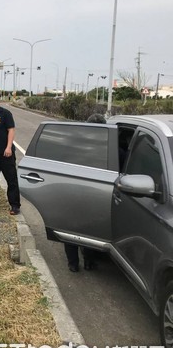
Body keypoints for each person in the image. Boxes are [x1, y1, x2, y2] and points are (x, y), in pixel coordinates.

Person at [64, 113, 105, 272]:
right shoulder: (108, 147)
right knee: (90, 228)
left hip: (72, 190)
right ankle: (89, 261)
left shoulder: (74, 143)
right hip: (95, 193)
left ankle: (73, 263)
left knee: (69, 227)